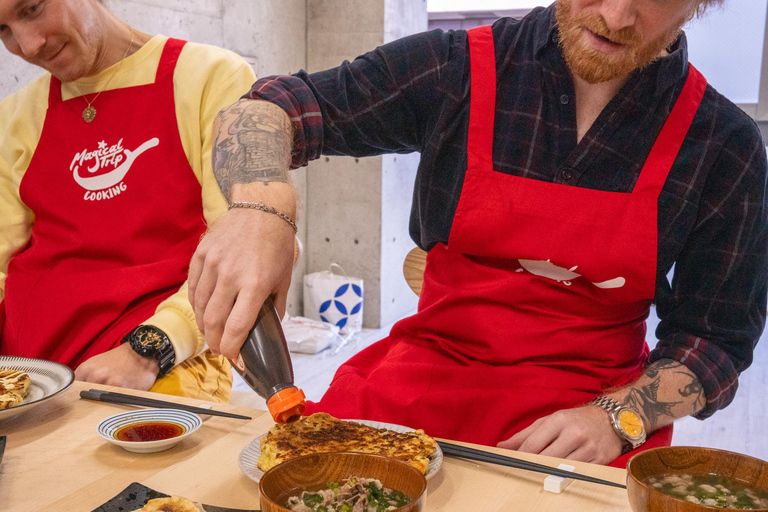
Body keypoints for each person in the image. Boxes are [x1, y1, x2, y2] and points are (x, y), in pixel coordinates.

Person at [189, 0, 768, 465]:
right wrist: (261, 207)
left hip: (592, 410)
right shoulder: (459, 69)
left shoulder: (723, 145)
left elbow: (715, 341)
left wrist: (618, 418)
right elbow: (273, 106)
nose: (616, 16)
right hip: (423, 377)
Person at [0, 0, 256, 401]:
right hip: (28, 367)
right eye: (2, 31)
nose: (28, 46)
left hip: (160, 357)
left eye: (32, 8)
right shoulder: (15, 115)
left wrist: (148, 350)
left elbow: (243, 252)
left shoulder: (211, 77)